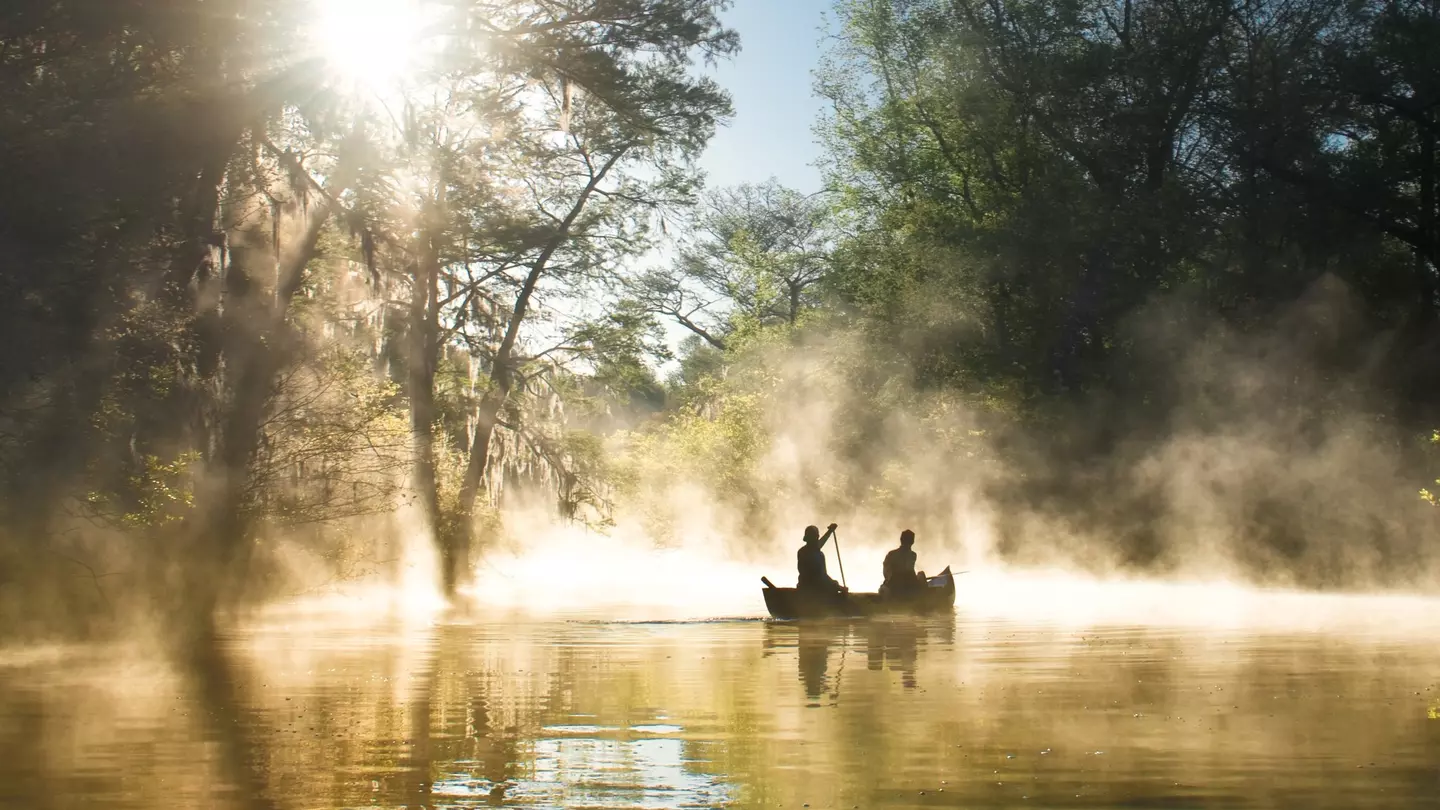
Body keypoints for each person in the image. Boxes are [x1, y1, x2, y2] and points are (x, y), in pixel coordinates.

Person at [797, 523, 845, 595]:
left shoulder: (802, 551)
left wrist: (830, 531)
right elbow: (821, 576)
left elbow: (818, 545)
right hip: (815, 588)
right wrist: (837, 586)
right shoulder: (817, 555)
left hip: (803, 586)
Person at [880, 529, 926, 599]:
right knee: (921, 574)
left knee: (920, 575)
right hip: (905, 586)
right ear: (912, 542)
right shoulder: (913, 555)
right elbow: (909, 571)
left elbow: (886, 572)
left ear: (901, 539)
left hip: (895, 585)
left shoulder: (892, 554)